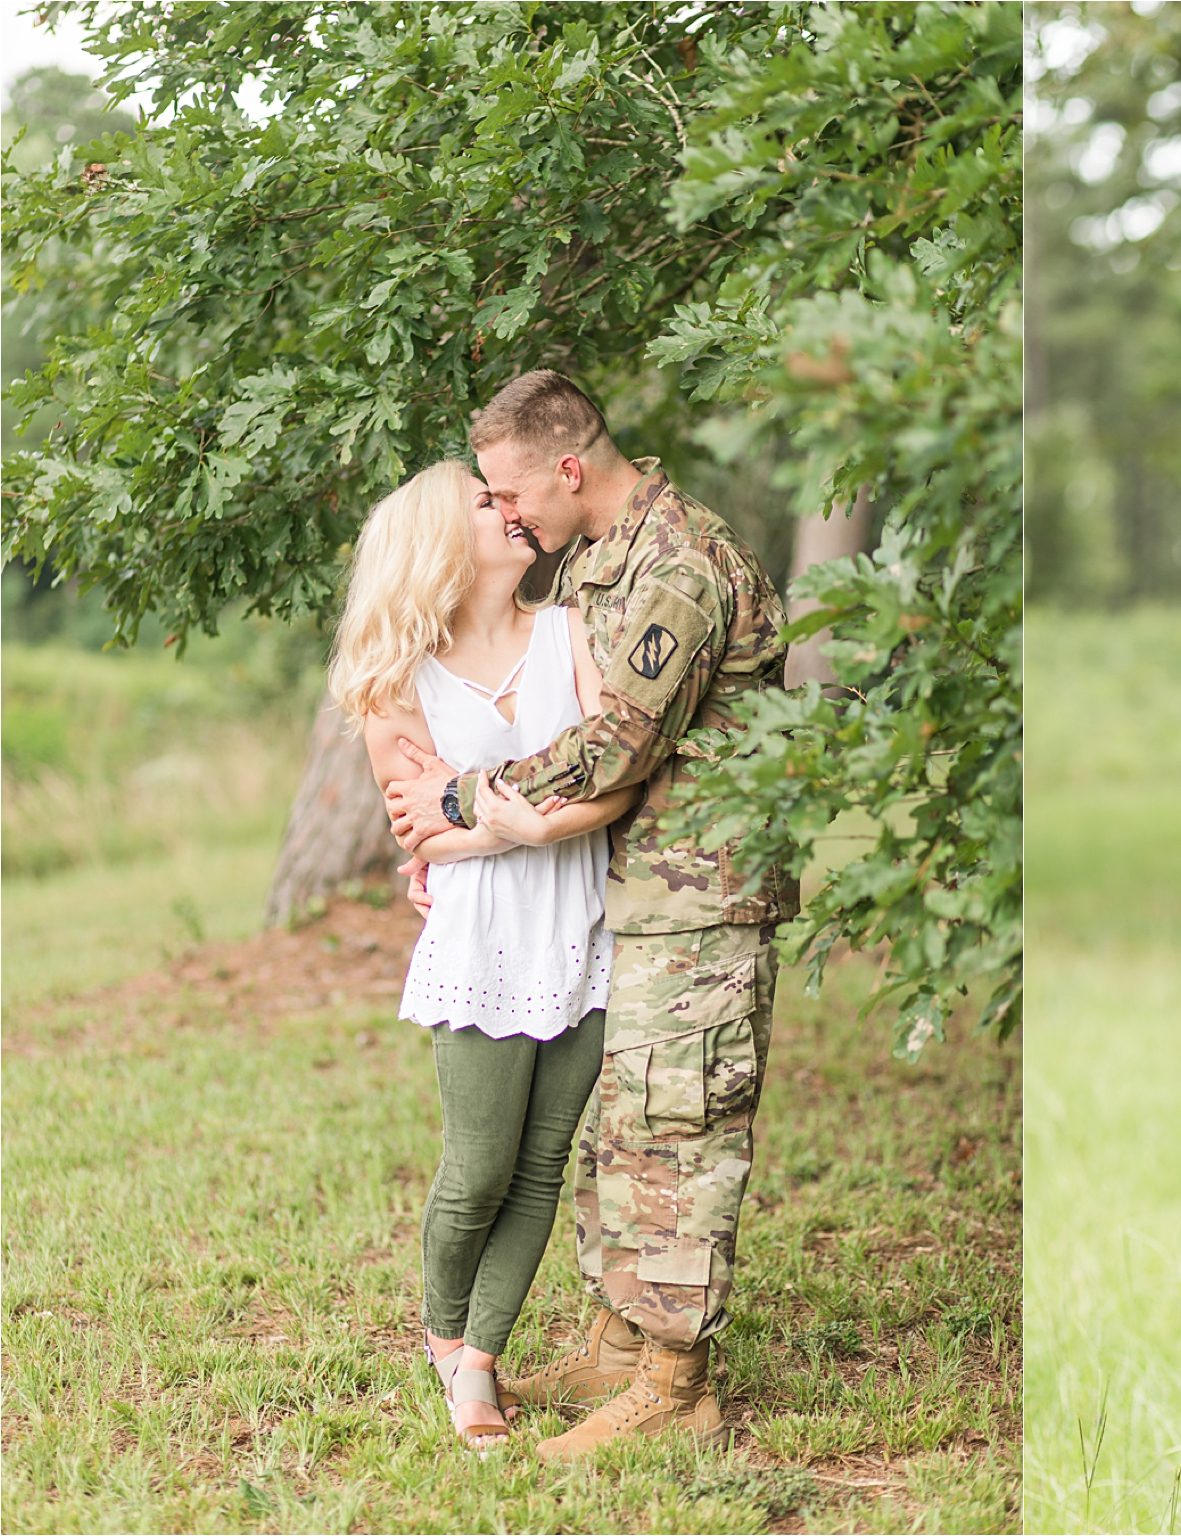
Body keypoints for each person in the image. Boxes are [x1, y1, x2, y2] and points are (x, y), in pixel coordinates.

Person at [383, 371, 797, 1462]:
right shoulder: (602, 561)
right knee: (622, 1136)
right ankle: (623, 1343)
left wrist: (461, 799)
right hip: (632, 889)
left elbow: (618, 742)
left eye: (512, 492)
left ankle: (675, 1386)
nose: (505, 514)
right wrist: (456, 843)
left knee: (678, 1128)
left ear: (569, 469)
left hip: (701, 890)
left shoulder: (676, 565)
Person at [331, 459, 636, 1452]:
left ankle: (479, 1367)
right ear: (437, 542)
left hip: (583, 929)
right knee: (476, 1168)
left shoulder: (570, 633)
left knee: (543, 1161)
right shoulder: (395, 683)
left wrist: (508, 821)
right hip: (480, 941)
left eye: (507, 497)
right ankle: (442, 1330)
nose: (510, 512)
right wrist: (520, 823)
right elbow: (420, 831)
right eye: (484, 503)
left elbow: (616, 779)